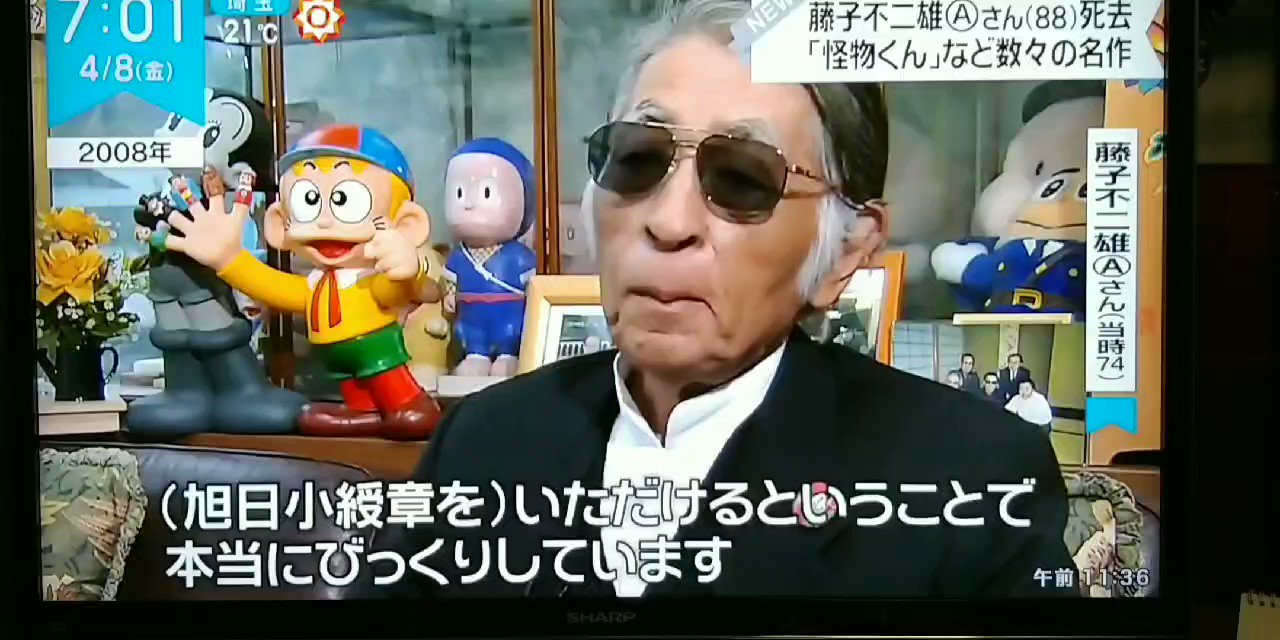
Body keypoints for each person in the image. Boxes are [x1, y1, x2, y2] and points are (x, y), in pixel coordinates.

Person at [370, 0, 1074, 598]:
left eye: (742, 178)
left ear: (846, 252)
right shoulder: (482, 442)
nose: (668, 221)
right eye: (637, 158)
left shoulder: (971, 481)